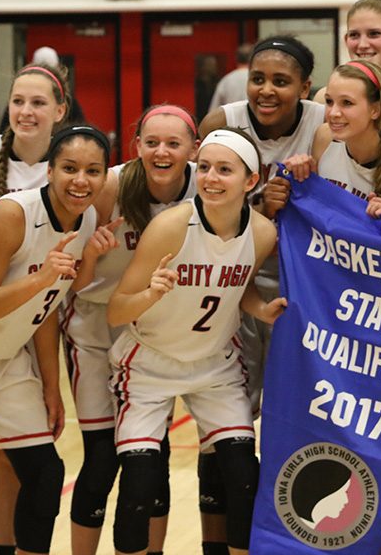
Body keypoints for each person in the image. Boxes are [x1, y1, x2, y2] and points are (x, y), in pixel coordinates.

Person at [106, 127, 284, 555]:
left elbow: (236, 287)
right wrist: (151, 294)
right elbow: (116, 309)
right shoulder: (170, 226)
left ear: (250, 180)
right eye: (204, 167)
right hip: (149, 361)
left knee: (243, 475)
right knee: (138, 484)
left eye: (225, 170)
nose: (211, 178)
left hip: (214, 365)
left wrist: (261, 309)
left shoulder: (262, 234)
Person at [0, 124, 108, 554]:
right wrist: (41, 278)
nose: (81, 180)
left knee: (44, 474)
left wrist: (50, 385)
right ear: (49, 171)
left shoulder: (87, 219)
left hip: (4, 358)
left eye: (93, 171)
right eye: (70, 168)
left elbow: (47, 310)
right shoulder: (11, 214)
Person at [198, 35, 324, 553]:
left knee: (296, 413)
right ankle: (217, 540)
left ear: (304, 87)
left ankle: (289, 534)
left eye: (281, 81)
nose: (266, 90)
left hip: (305, 287)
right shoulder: (221, 124)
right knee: (226, 420)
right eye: (258, 78)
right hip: (232, 284)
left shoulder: (323, 123)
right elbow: (202, 210)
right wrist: (259, 205)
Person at [61, 104, 199, 554]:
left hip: (154, 329)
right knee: (102, 458)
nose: (161, 151)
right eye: (151, 142)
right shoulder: (113, 186)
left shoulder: (205, 183)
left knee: (150, 460)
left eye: (173, 143)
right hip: (97, 326)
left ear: (191, 149)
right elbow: (73, 283)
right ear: (136, 145)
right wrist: (93, 257)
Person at [0, 62, 70, 555]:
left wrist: (51, 380)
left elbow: (47, 299)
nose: (26, 111)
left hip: (17, 334)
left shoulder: (69, 175)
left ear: (60, 111)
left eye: (38, 102)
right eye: (18, 100)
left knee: (35, 471)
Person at [274, 59, 381, 203]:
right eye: (329, 101)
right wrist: (300, 174)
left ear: (376, 109)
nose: (333, 113)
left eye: (347, 103)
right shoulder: (324, 137)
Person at [314, 0, 381, 111]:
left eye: (374, 34)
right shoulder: (326, 100)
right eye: (354, 35)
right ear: (346, 39)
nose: (363, 45)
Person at [209, 44, 254, 112]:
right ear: (254, 58)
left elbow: (213, 111)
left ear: (236, 58)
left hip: (231, 121)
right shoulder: (257, 79)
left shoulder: (225, 81)